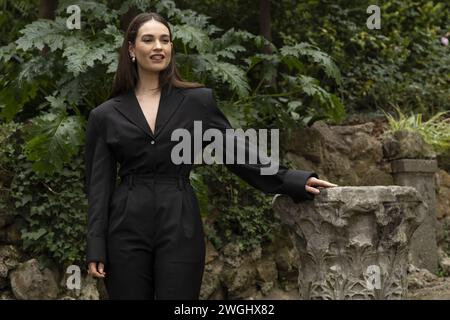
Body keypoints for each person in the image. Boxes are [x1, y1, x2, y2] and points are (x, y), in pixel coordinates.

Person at [84, 12, 338, 300]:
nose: (159, 46)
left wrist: (290, 179)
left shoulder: (197, 102)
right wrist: (96, 243)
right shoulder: (105, 115)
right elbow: (98, 186)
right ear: (131, 49)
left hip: (179, 219)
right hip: (125, 224)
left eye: (165, 40)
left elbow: (236, 152)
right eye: (149, 39)